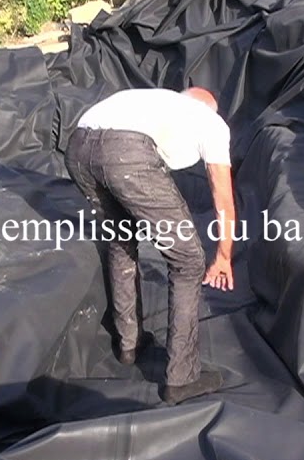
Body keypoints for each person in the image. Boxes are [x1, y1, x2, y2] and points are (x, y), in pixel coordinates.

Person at [64, 86, 236, 404]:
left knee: (120, 242)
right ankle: (181, 379)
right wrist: (224, 255)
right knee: (187, 260)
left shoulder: (149, 101)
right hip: (126, 152)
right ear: (208, 108)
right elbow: (222, 193)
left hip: (77, 148)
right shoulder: (208, 119)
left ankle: (128, 345)